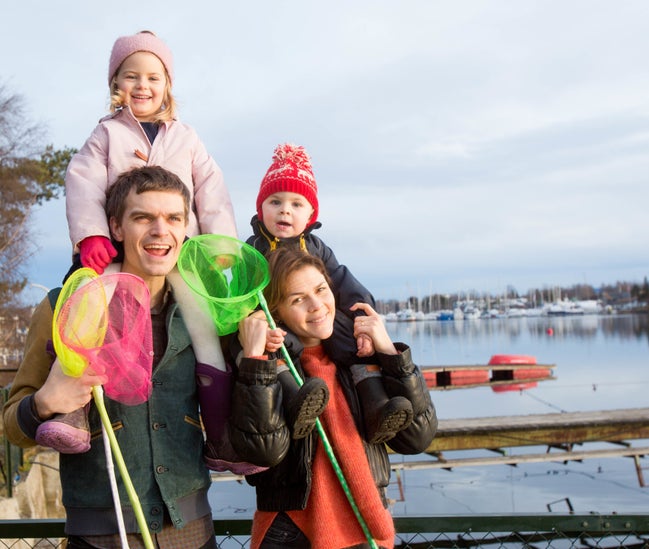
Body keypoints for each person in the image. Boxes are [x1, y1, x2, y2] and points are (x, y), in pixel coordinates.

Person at [41, 30, 246, 475]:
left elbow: (211, 188)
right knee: (88, 318)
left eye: (153, 77)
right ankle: (72, 411)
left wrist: (221, 243)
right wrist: (92, 235)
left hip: (178, 254)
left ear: (167, 84)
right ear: (116, 83)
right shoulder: (107, 134)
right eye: (131, 76)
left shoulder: (186, 137)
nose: (143, 86)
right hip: (115, 252)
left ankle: (220, 431)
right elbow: (83, 182)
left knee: (205, 332)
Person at [3, 166, 219, 548]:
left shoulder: (204, 314)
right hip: (102, 536)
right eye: (143, 217)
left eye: (173, 218)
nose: (160, 230)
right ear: (116, 228)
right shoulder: (63, 307)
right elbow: (12, 430)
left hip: (191, 532)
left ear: (186, 229)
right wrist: (45, 402)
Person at [229, 247, 438, 549]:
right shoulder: (265, 364)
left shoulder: (359, 356)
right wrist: (253, 358)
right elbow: (265, 450)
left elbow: (417, 439)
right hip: (290, 530)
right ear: (275, 312)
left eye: (321, 290)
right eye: (297, 299)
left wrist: (391, 353)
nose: (317, 306)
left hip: (366, 525)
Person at [246, 143, 414, 444]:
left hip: (319, 322)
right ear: (261, 208)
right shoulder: (253, 249)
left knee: (351, 340)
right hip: (281, 322)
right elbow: (244, 296)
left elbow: (343, 282)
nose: (285, 209)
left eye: (297, 204)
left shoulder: (316, 247)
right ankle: (297, 400)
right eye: (275, 201)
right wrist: (255, 322)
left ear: (311, 214)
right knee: (275, 348)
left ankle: (376, 406)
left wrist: (363, 321)